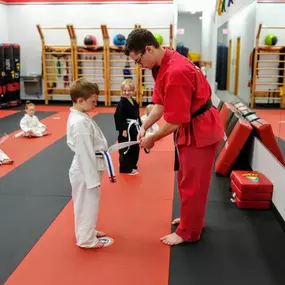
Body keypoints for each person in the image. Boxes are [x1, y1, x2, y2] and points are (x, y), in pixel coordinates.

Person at [124, 29, 224, 246]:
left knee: (193, 183)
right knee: (186, 179)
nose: (139, 66)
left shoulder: (176, 71)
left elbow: (176, 120)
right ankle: (191, 219)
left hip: (201, 129)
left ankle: (189, 231)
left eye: (139, 60)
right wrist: (145, 125)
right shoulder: (162, 64)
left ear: (148, 49)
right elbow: (160, 104)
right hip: (191, 124)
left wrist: (153, 138)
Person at [66, 78, 111, 249]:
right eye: (93, 101)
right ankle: (86, 239)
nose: (95, 104)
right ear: (80, 100)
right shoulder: (79, 122)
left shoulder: (81, 115)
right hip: (86, 168)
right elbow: (85, 153)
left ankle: (87, 231)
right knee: (86, 203)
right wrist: (93, 179)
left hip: (88, 165)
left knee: (87, 203)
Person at [114, 79, 141, 175]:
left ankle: (132, 165)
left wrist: (141, 127)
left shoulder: (133, 101)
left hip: (134, 127)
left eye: (129, 90)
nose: (127, 92)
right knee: (126, 148)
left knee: (135, 147)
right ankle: (126, 168)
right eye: (124, 90)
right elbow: (118, 116)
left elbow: (137, 116)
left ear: (133, 91)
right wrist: (123, 129)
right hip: (127, 129)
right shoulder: (122, 103)